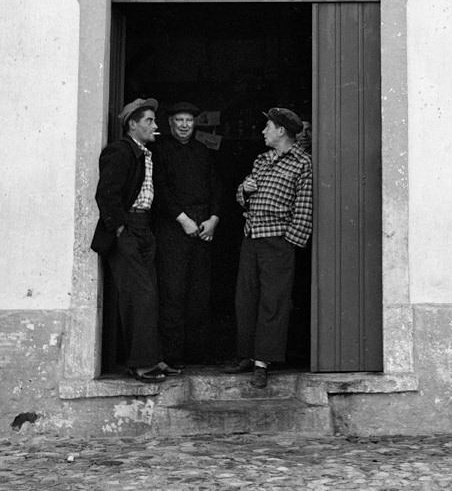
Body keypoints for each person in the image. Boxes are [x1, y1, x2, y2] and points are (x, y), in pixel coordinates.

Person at [223, 107, 313, 388]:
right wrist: (244, 190)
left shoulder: (302, 163)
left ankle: (263, 362)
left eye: (267, 127)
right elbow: (242, 195)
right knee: (245, 298)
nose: (263, 131)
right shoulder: (262, 160)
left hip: (277, 241)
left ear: (281, 131)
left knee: (273, 302)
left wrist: (289, 241)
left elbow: (304, 206)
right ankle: (246, 355)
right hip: (251, 236)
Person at [90, 97, 166, 382]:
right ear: (132, 124)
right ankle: (141, 364)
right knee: (139, 296)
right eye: (149, 121)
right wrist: (120, 228)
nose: (154, 126)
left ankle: (151, 358)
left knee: (148, 295)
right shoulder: (120, 152)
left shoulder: (144, 153)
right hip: (127, 229)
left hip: (143, 228)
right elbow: (106, 194)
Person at [153, 101, 222, 371]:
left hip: (202, 226)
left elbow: (217, 186)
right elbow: (161, 189)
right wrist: (182, 220)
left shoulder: (204, 152)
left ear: (195, 123)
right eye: (179, 120)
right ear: (170, 123)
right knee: (173, 291)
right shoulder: (159, 151)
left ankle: (198, 354)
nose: (184, 125)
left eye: (189, 120)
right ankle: (173, 355)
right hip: (174, 227)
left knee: (200, 292)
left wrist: (214, 219)